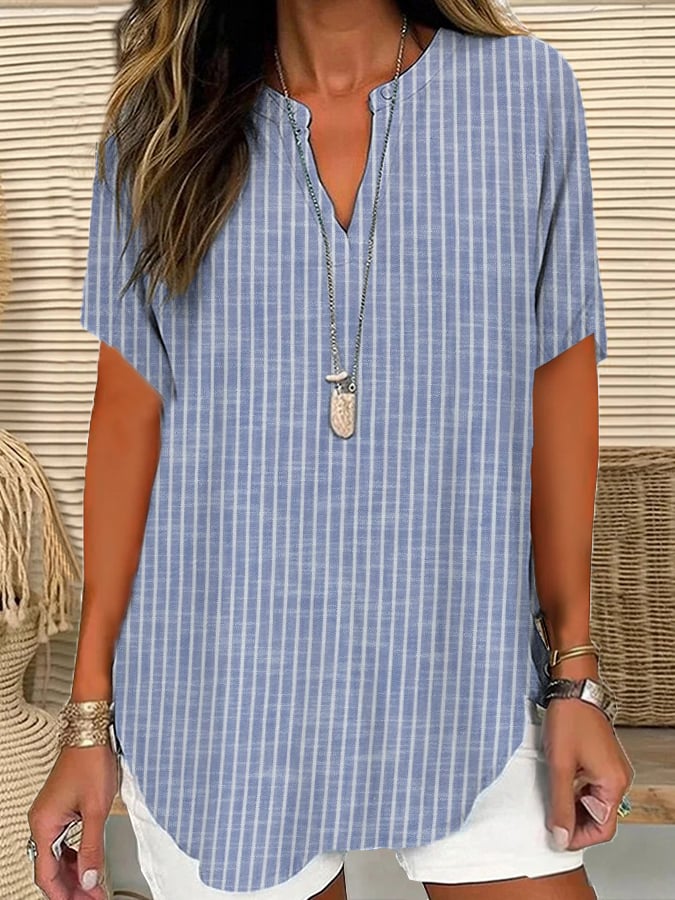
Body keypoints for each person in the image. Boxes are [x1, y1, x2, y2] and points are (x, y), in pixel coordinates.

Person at [26, 1, 635, 898]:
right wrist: (88, 720)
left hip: (463, 665)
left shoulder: (524, 94)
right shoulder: (165, 122)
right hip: (221, 693)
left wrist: (573, 675)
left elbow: (558, 385)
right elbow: (127, 422)